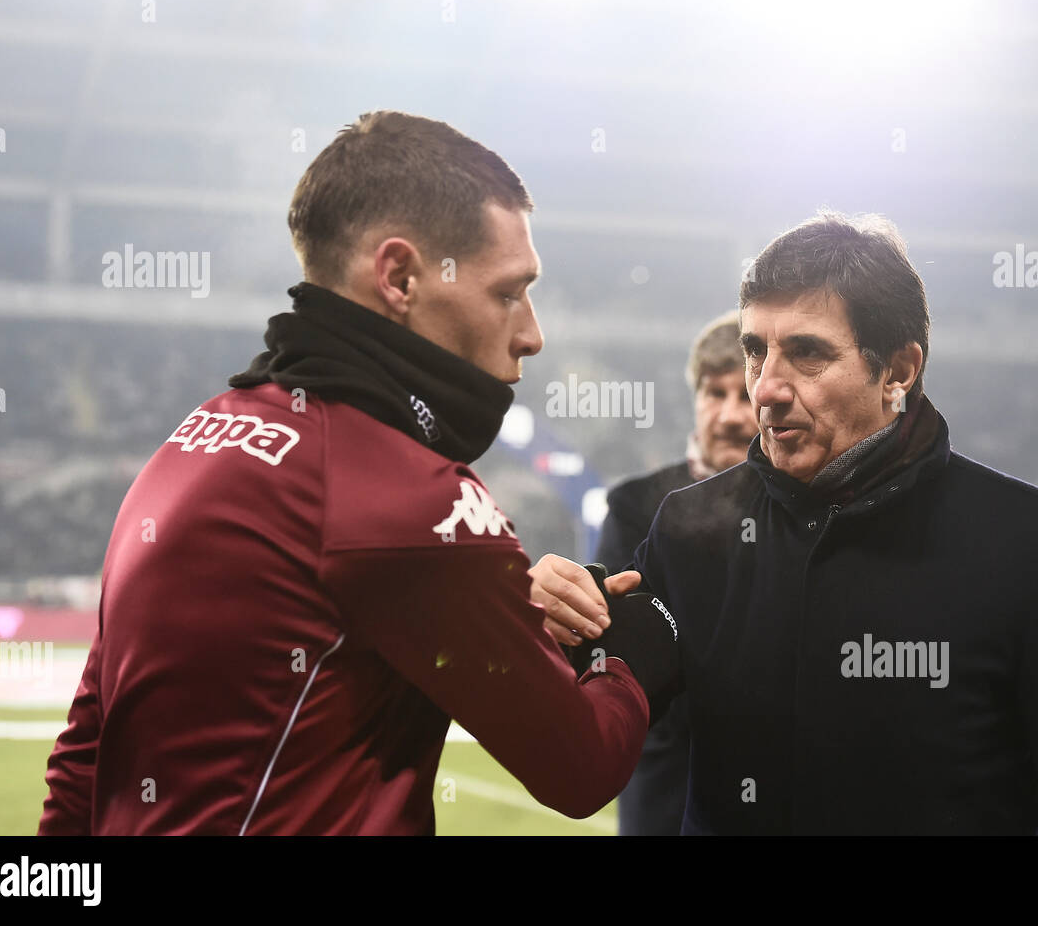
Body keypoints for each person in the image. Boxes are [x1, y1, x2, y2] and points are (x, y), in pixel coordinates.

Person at [37, 111, 675, 835]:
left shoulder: (193, 443)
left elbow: (88, 751)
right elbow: (582, 763)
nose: (531, 332)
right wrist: (632, 648)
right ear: (399, 275)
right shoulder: (413, 499)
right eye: (507, 292)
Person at [536, 210, 1038, 834]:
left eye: (806, 353)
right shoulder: (690, 526)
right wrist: (559, 621)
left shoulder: (1030, 542)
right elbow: (585, 738)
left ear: (897, 371)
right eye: (756, 351)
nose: (765, 389)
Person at [591, 312, 756, 835]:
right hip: (666, 791)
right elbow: (620, 649)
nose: (730, 415)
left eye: (746, 395)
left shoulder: (806, 514)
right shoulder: (637, 505)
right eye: (715, 393)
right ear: (696, 397)